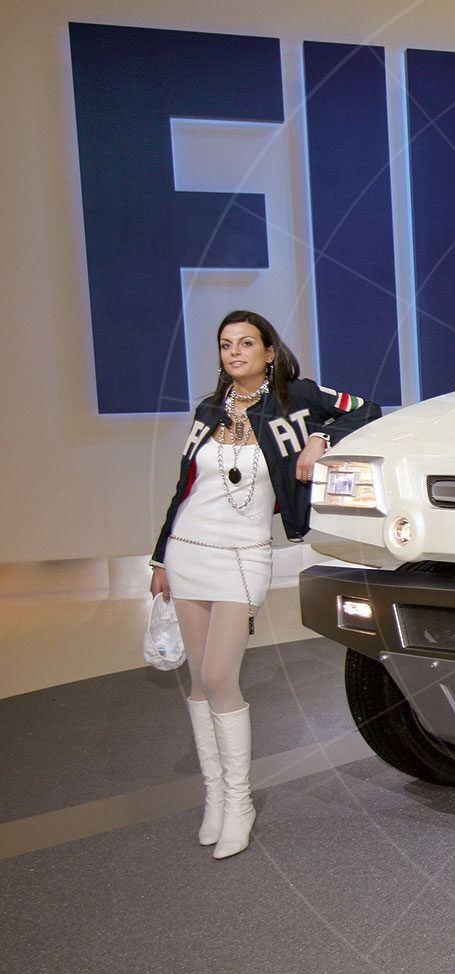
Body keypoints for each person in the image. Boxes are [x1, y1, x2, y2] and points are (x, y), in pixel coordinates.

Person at [149, 311, 380, 858]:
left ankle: (240, 801)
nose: (235, 353)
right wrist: (160, 558)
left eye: (247, 343)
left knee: (219, 676)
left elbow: (367, 410)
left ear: (269, 350)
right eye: (226, 344)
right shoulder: (208, 412)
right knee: (199, 684)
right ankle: (216, 801)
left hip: (243, 556)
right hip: (187, 552)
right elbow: (181, 491)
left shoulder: (296, 397)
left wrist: (319, 439)